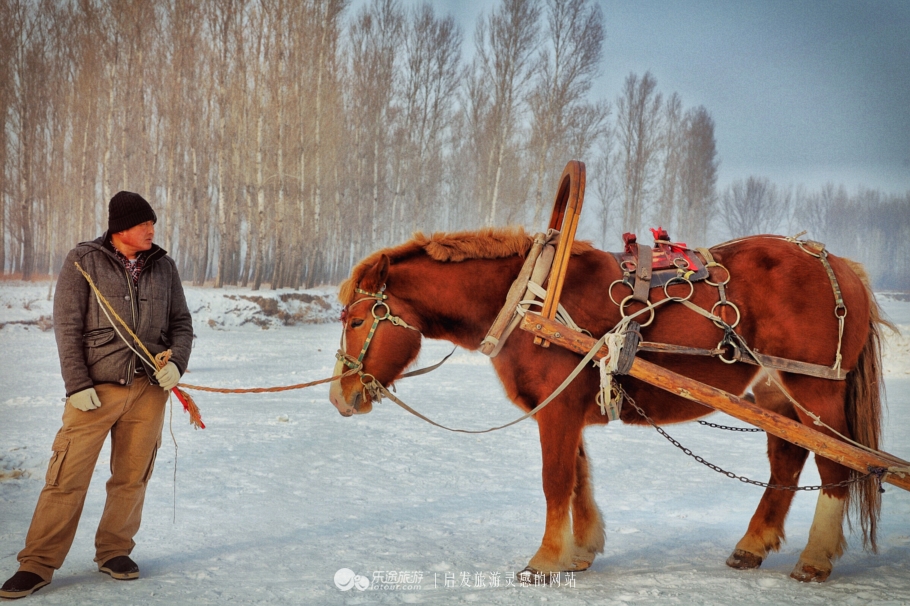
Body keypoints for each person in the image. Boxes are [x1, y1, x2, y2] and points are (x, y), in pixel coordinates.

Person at [0, 191, 194, 599]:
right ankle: (36, 564)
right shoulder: (83, 260)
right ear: (120, 228)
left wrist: (177, 362)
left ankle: (114, 551)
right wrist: (76, 385)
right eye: (143, 224)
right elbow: (66, 325)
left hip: (148, 391)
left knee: (132, 478)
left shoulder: (164, 266)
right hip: (94, 391)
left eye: (152, 223)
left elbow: (181, 322)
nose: (151, 230)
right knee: (66, 479)